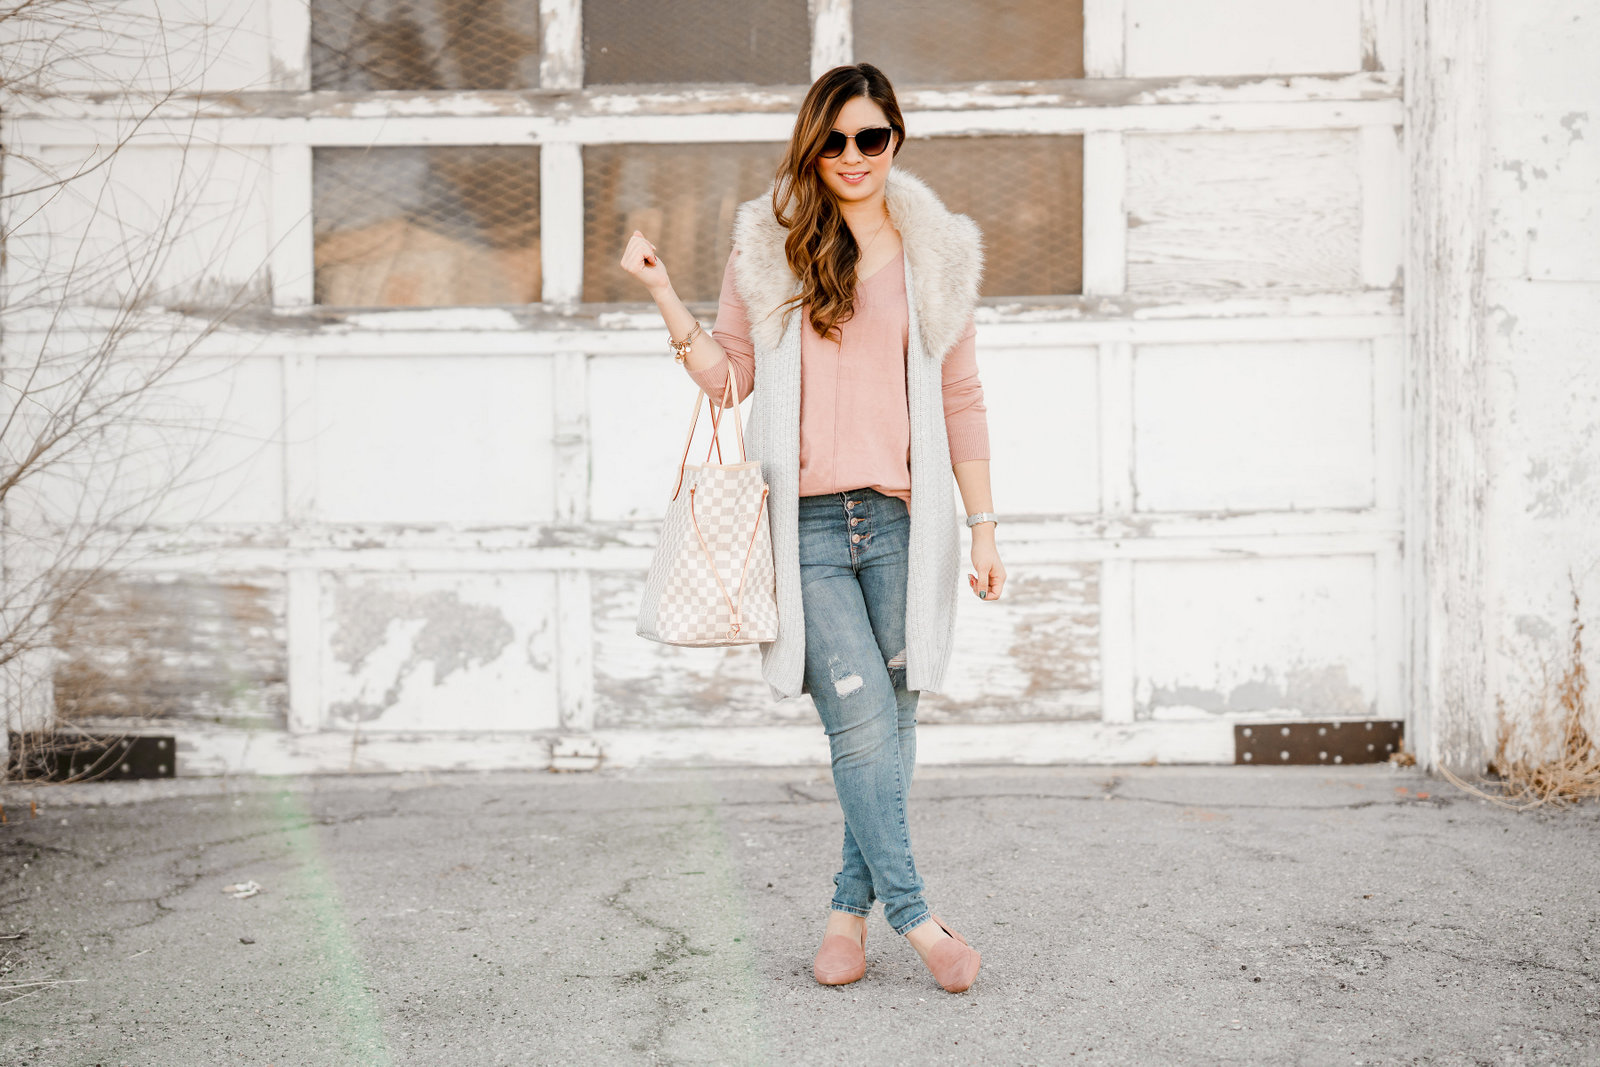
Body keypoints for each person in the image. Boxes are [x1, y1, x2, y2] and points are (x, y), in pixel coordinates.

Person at [619, 62, 1005, 995]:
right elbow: (730, 379)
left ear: (895, 138)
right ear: (812, 145)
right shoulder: (774, 242)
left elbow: (961, 397)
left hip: (904, 522)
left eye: (870, 137)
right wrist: (664, 295)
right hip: (808, 529)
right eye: (833, 141)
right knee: (863, 717)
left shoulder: (938, 253)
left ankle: (846, 911)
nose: (851, 157)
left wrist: (985, 528)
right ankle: (917, 917)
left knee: (892, 722)